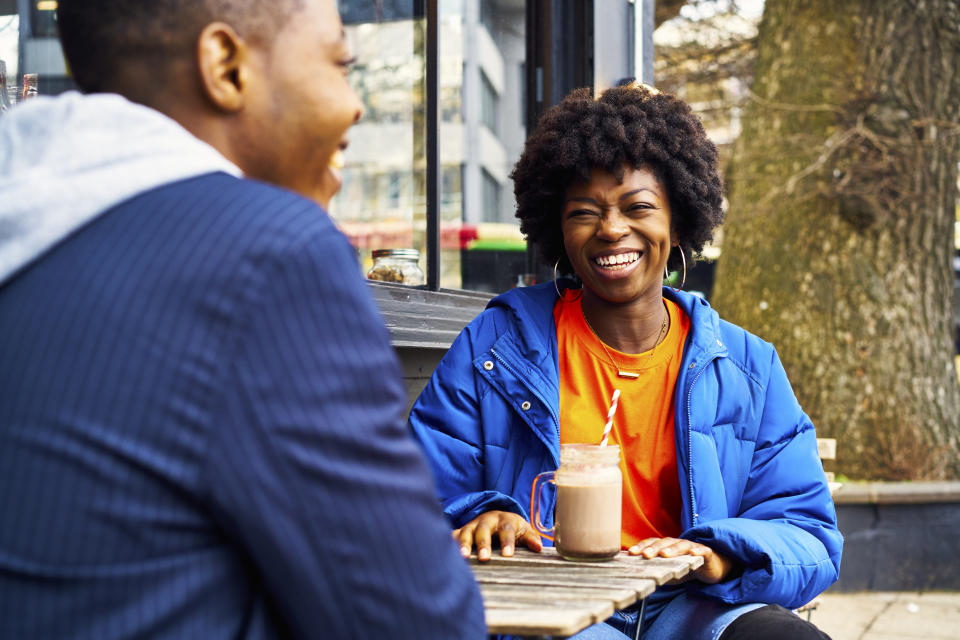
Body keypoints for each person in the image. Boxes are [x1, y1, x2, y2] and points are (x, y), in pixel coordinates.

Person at [0, 1, 485, 638]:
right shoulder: (270, 256)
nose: (356, 104)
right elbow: (421, 623)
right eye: (342, 64)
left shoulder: (30, 210)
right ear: (226, 67)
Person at [408, 83, 842, 640]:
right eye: (584, 212)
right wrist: (482, 515)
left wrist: (724, 555)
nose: (612, 228)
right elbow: (418, 497)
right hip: (559, 604)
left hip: (694, 605)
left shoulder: (747, 366)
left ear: (678, 221)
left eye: (638, 207)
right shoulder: (495, 346)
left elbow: (807, 531)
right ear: (559, 234)